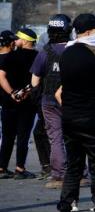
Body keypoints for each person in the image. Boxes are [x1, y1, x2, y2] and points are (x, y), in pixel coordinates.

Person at [54, 13, 95, 212]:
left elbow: (62, 90)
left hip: (69, 118)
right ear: (89, 32)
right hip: (94, 120)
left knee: (73, 168)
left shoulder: (67, 53)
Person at [31, 14, 73, 189]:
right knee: (73, 137)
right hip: (72, 101)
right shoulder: (74, 50)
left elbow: (35, 81)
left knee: (55, 138)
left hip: (49, 101)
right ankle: (80, 172)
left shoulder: (44, 52)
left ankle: (58, 174)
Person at [0, 28, 39, 179]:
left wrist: (12, 93)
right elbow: (37, 79)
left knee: (7, 136)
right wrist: (25, 92)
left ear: (24, 40)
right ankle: (20, 168)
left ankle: (2, 167)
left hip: (9, 102)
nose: (14, 41)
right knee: (23, 136)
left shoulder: (11, 56)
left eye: (17, 39)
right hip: (28, 103)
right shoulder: (38, 56)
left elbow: (1, 77)